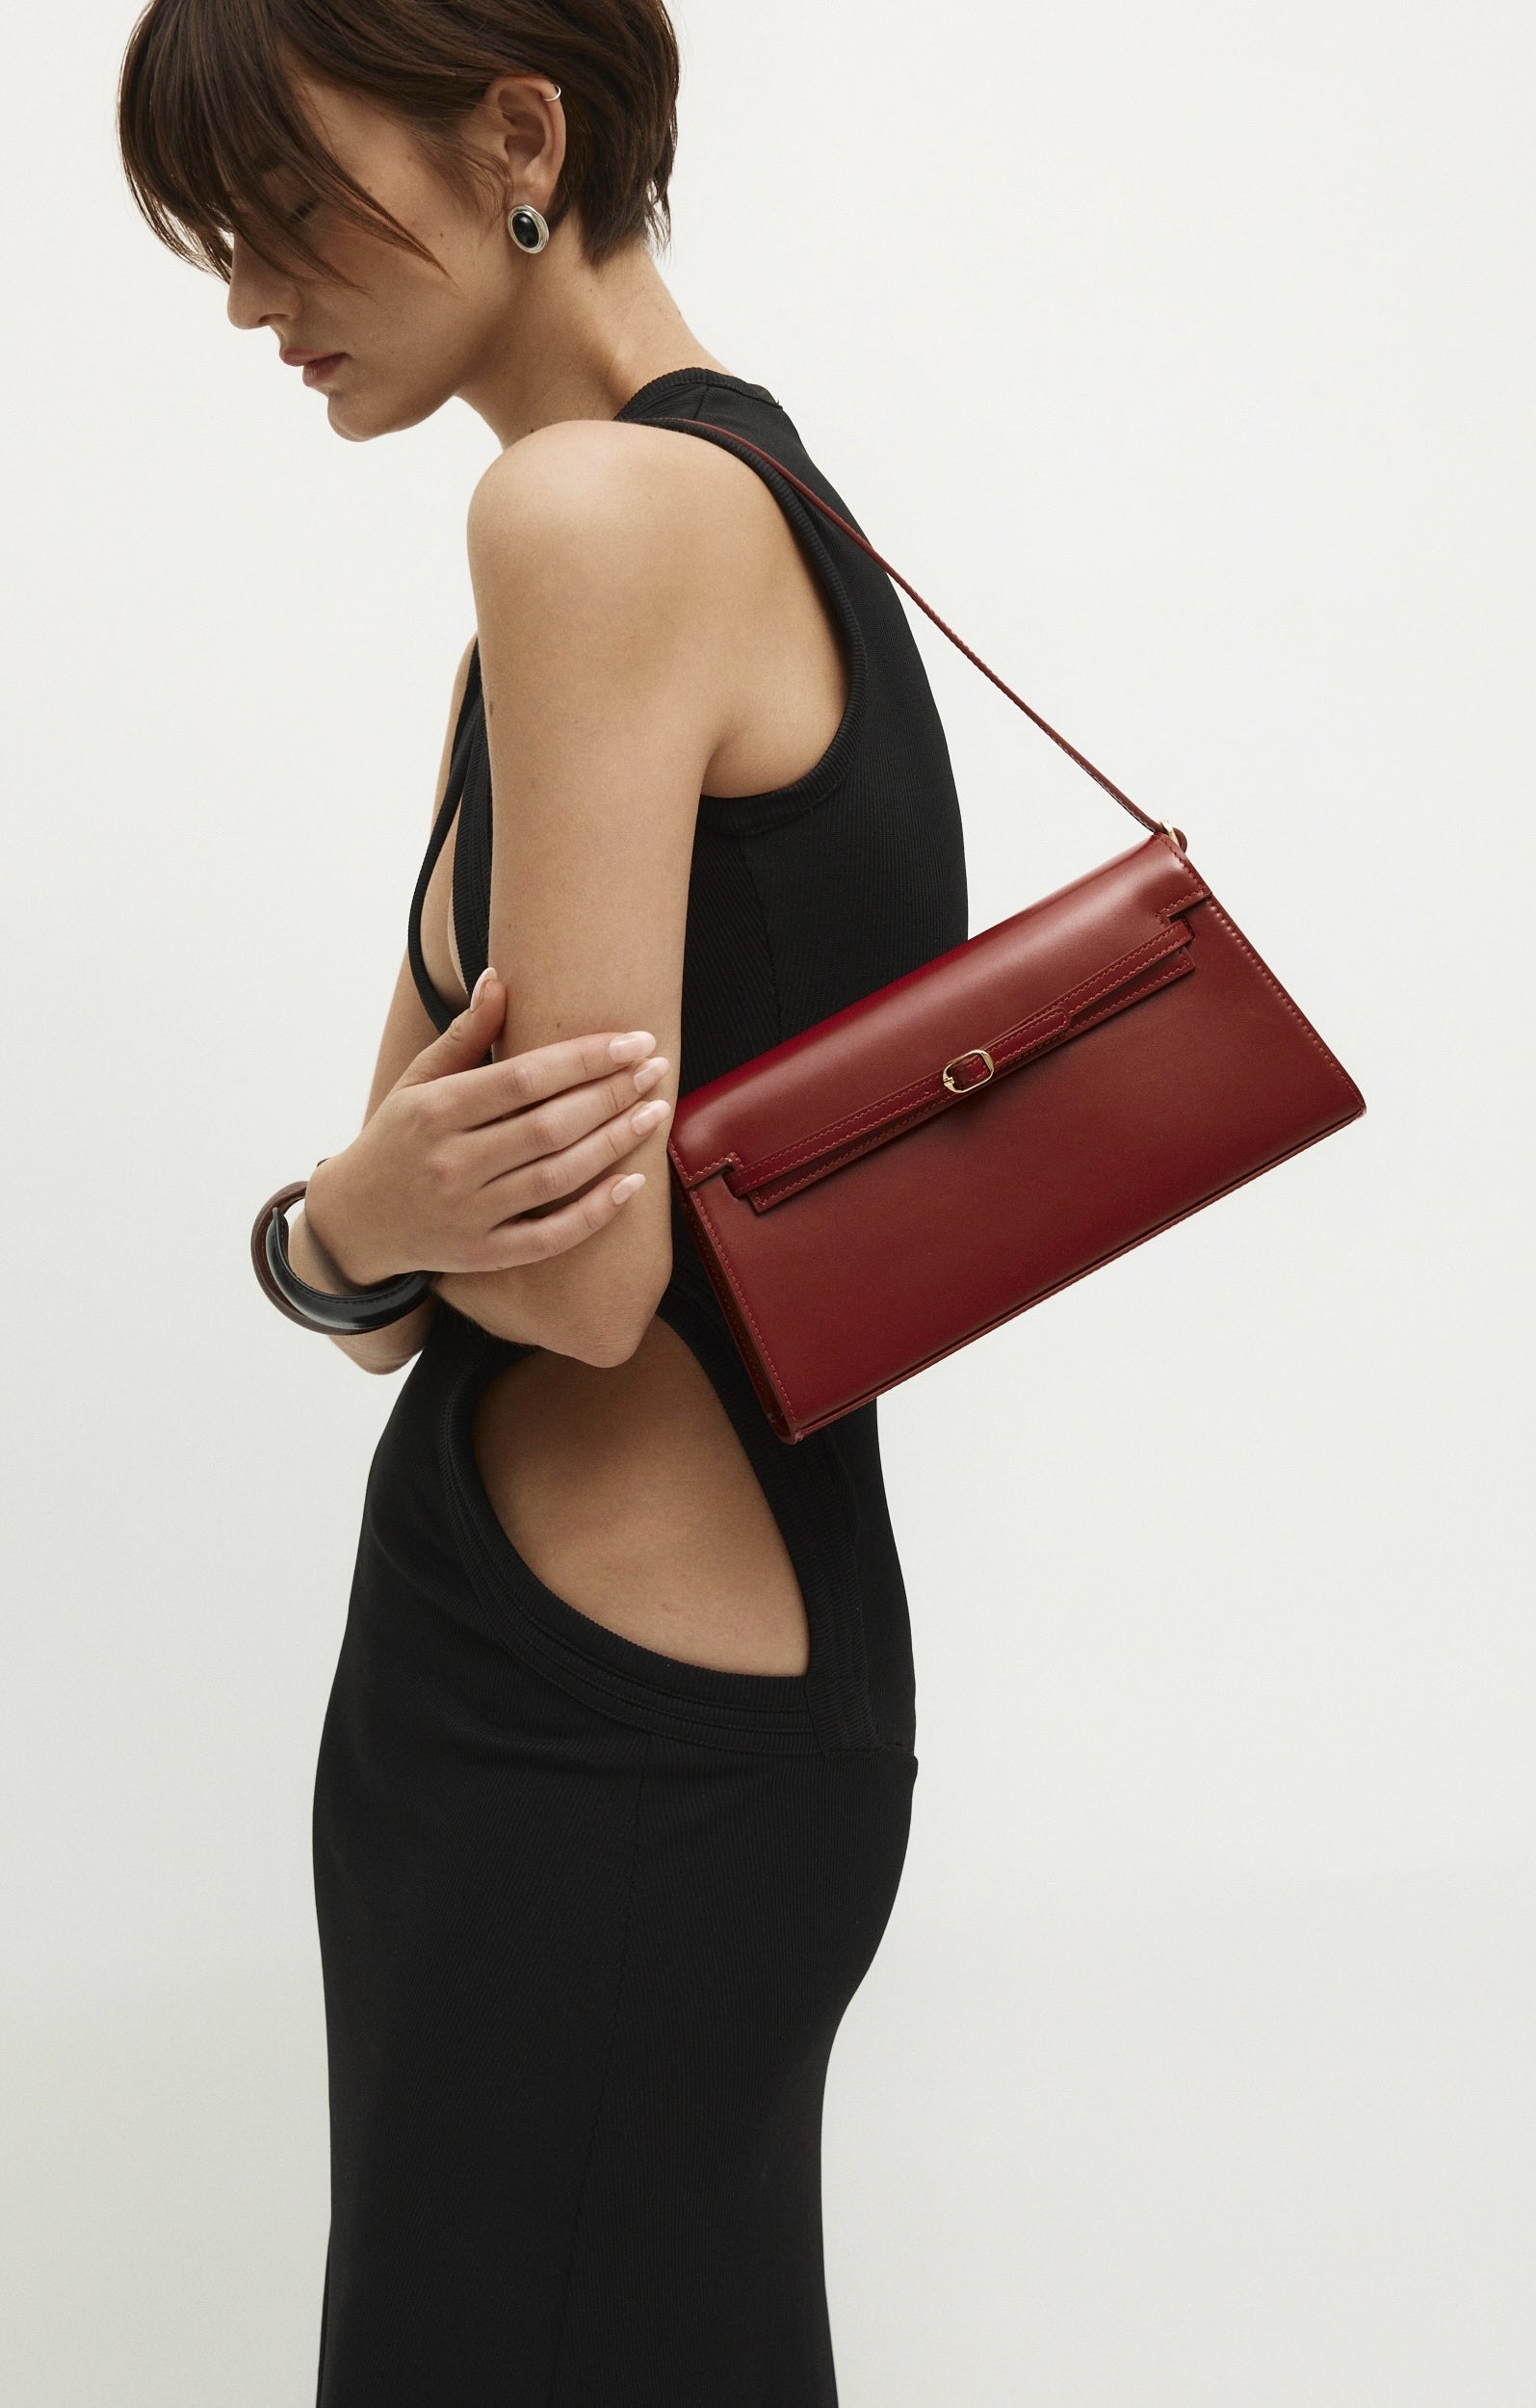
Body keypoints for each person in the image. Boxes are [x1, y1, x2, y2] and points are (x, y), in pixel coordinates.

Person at [119, 2, 968, 2398]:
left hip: (586, 1735)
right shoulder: (713, 504)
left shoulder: (586, 518)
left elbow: (560, 1272)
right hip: (662, 1683)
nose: (247, 291)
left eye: (278, 206)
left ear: (522, 131)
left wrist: (336, 1226)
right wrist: (349, 1231)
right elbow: (395, 1254)